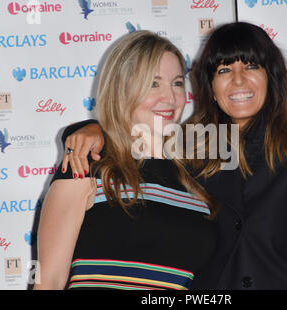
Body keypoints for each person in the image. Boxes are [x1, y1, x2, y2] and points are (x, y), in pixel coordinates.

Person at [61, 22, 287, 290]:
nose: (238, 81)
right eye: (224, 70)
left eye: (251, 66)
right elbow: (132, 142)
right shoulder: (190, 148)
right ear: (209, 87)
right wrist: (90, 130)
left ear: (271, 77)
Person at [34, 30, 218, 290]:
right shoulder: (87, 163)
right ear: (122, 88)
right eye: (153, 84)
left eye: (177, 83)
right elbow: (48, 282)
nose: (171, 97)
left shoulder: (196, 177)